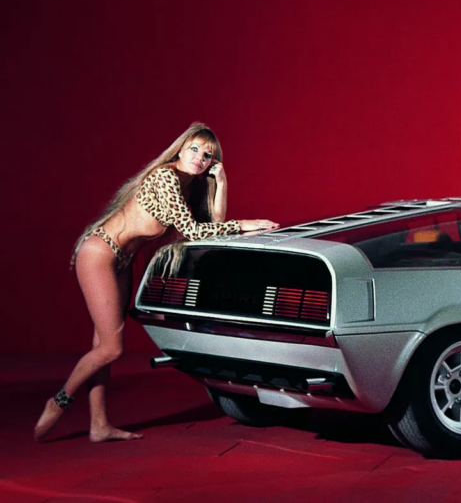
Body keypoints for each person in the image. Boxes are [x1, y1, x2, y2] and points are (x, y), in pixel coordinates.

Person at [34, 123, 278, 443]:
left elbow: (214, 227)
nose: (200, 159)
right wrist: (246, 224)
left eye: (208, 156)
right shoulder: (165, 177)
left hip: (121, 260)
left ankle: (99, 425)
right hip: (100, 252)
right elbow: (193, 232)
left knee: (102, 347)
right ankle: (60, 400)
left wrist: (222, 181)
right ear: (180, 148)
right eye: (194, 149)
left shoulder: (191, 184)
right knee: (111, 348)